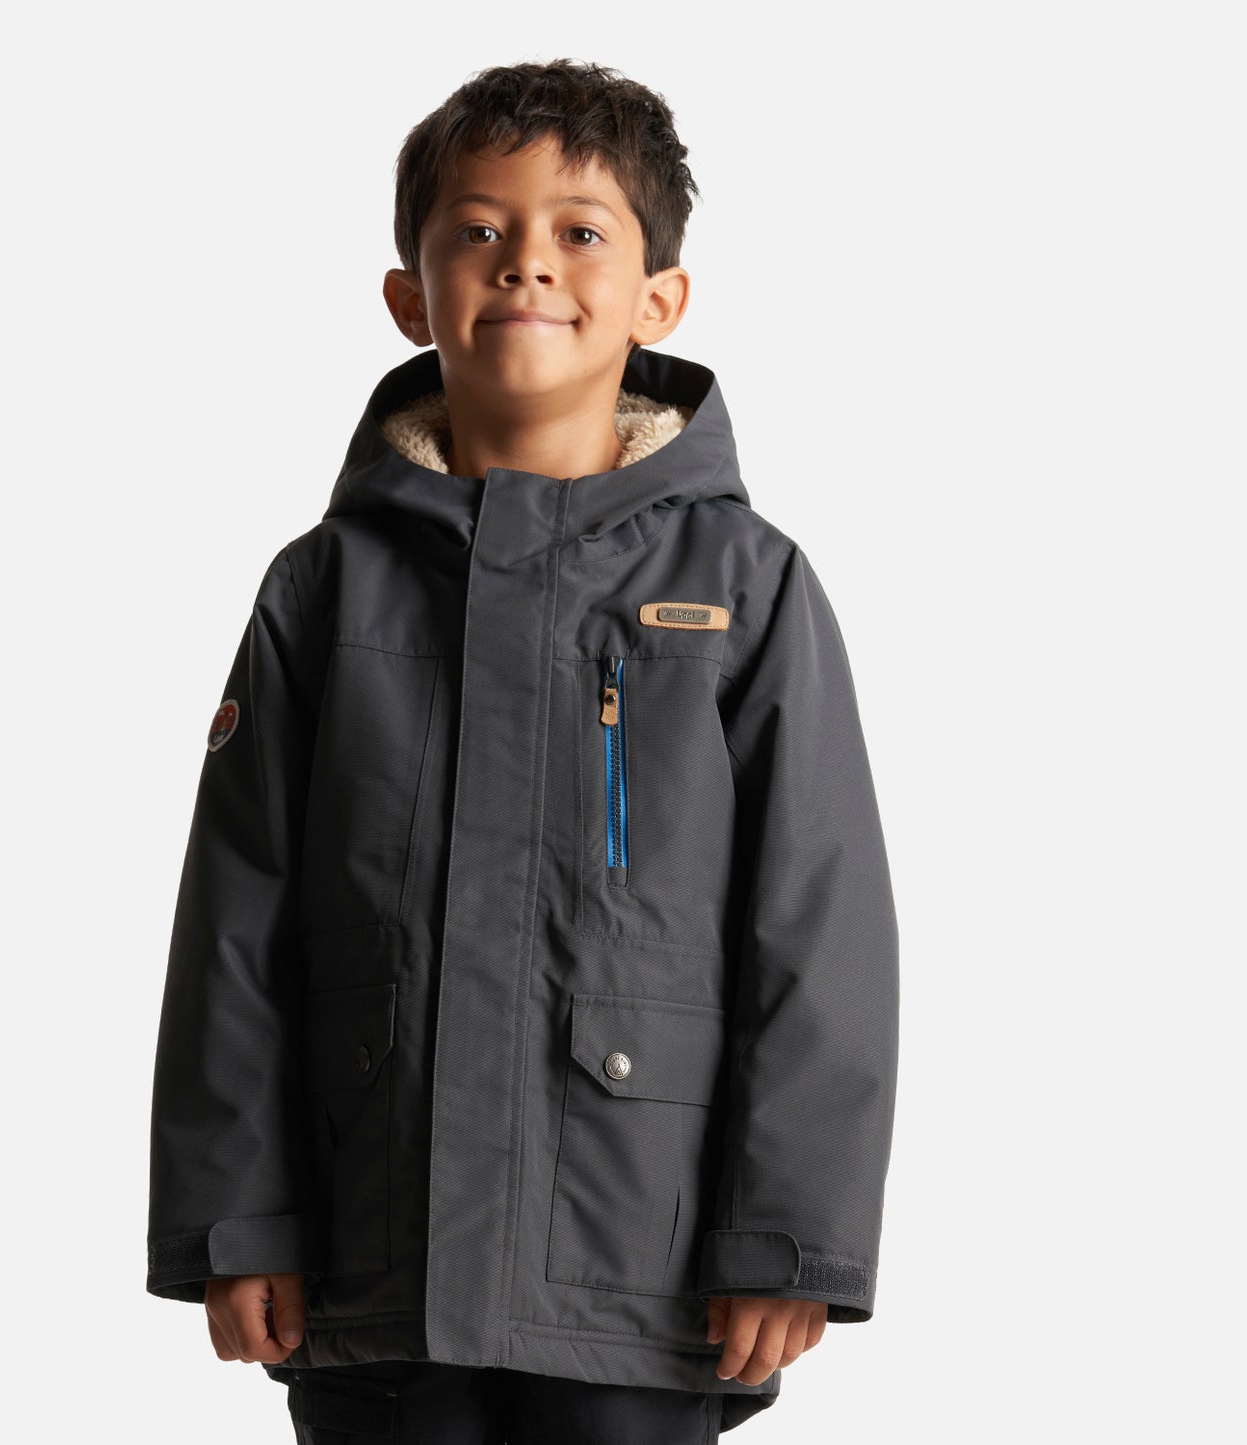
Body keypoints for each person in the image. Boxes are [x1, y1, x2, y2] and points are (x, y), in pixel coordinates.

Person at [146, 58, 899, 1443]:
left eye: (579, 230)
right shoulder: (324, 587)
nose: (526, 262)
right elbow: (236, 921)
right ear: (408, 296)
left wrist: (788, 1232)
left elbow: (817, 921)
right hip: (373, 1250)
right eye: (478, 229)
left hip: (640, 1262)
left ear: (659, 299)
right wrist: (235, 1215)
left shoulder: (744, 587)